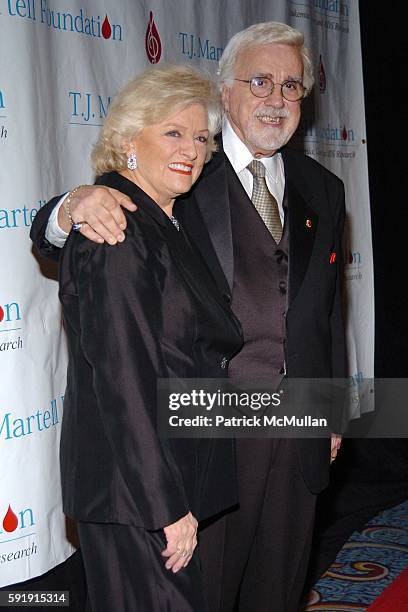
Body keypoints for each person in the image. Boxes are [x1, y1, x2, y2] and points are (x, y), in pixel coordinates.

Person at [31, 22, 345, 612]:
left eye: (291, 86)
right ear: (225, 92)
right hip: (204, 436)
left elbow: (325, 311)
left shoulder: (323, 188)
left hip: (298, 424)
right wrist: (72, 204)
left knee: (277, 588)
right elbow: (87, 242)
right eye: (259, 81)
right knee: (202, 592)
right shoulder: (179, 174)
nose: (276, 98)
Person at [35, 64, 243, 611]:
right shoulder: (118, 228)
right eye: (173, 132)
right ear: (129, 139)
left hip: (168, 476)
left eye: (201, 137)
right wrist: (165, 507)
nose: (192, 148)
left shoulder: (166, 216)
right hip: (139, 494)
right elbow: (125, 378)